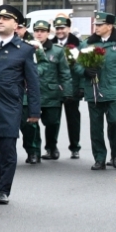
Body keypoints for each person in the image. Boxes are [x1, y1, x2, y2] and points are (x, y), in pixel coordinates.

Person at [0, 5, 41, 204]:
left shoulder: (25, 50)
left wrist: (34, 111)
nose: (0, 21)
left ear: (16, 24)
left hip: (9, 105)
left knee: (7, 148)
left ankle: (4, 189)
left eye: (6, 18)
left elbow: (33, 83)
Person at [80, 11, 116, 170]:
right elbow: (77, 66)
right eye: (96, 25)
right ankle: (99, 158)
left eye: (100, 25)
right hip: (94, 91)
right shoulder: (88, 44)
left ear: (109, 26)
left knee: (115, 122)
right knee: (96, 127)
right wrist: (85, 71)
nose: (96, 27)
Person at [24, 21, 70, 164]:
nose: (39, 34)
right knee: (31, 124)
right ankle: (34, 152)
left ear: (48, 33)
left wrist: (67, 92)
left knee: (52, 122)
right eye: (37, 31)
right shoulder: (26, 48)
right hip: (31, 93)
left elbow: (64, 73)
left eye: (43, 31)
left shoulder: (57, 50)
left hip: (51, 93)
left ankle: (51, 146)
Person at [52, 17, 82, 157]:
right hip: (54, 88)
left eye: (62, 28)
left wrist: (81, 87)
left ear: (69, 29)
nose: (60, 31)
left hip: (72, 87)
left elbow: (83, 68)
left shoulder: (77, 45)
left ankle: (75, 147)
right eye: (57, 28)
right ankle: (51, 147)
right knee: (53, 120)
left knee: (73, 119)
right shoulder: (50, 45)